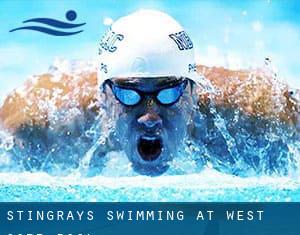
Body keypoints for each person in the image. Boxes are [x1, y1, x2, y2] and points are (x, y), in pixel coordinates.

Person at [0, 10, 298, 176]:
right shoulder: (39, 124)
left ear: (194, 93)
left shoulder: (259, 112)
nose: (150, 116)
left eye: (168, 93)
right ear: (103, 97)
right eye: (130, 95)